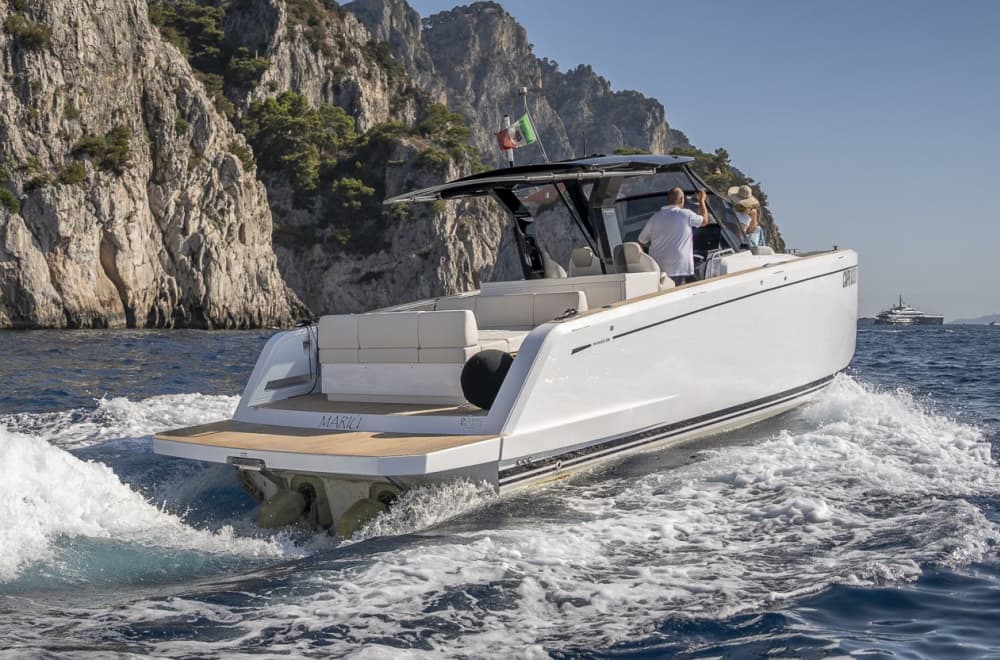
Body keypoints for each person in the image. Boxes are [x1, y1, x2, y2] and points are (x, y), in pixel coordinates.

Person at [638, 187, 709, 285]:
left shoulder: (655, 218)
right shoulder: (686, 214)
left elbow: (641, 241)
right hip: (679, 270)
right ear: (681, 199)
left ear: (668, 200)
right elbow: (704, 221)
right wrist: (702, 201)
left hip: (658, 271)